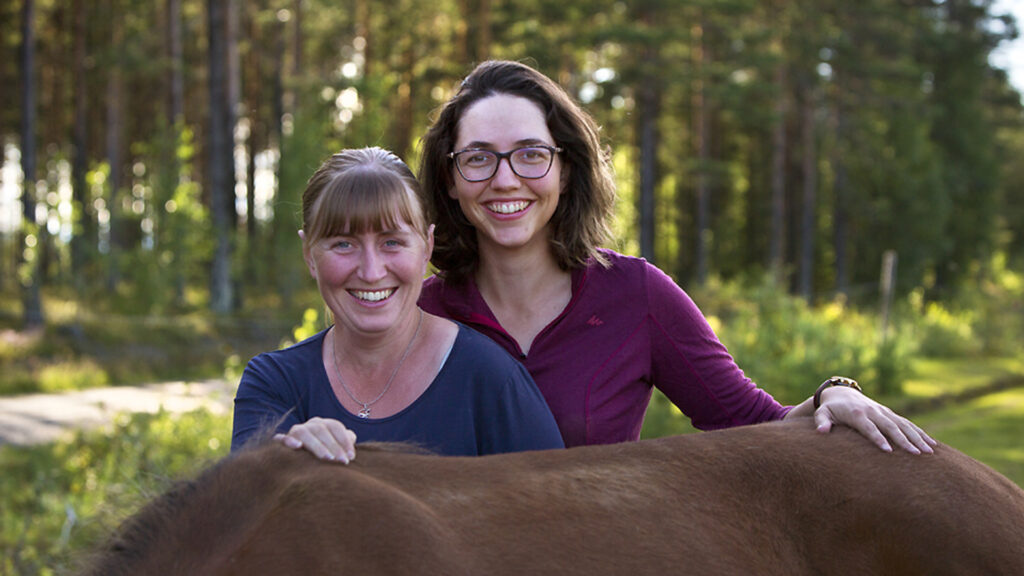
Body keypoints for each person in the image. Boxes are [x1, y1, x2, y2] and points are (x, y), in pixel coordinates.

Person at [417, 59, 936, 454]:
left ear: (566, 170)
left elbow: (752, 422)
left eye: (531, 154)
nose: (505, 179)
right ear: (450, 178)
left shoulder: (635, 295)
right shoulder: (418, 312)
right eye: (479, 158)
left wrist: (832, 394)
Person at [231, 147, 564, 461]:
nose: (372, 272)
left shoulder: (491, 381)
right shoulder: (273, 383)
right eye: (344, 244)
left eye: (392, 242)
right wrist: (281, 461)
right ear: (309, 255)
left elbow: (553, 510)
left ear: (427, 247)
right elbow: (242, 510)